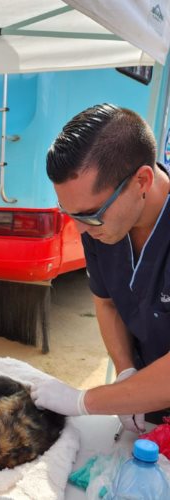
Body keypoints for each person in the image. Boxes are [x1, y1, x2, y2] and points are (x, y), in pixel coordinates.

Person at [32, 103, 170, 434]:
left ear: (142, 180)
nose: (80, 230)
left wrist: (85, 401)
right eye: (69, 213)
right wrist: (125, 372)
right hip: (138, 400)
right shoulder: (100, 225)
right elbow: (106, 302)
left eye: (89, 215)